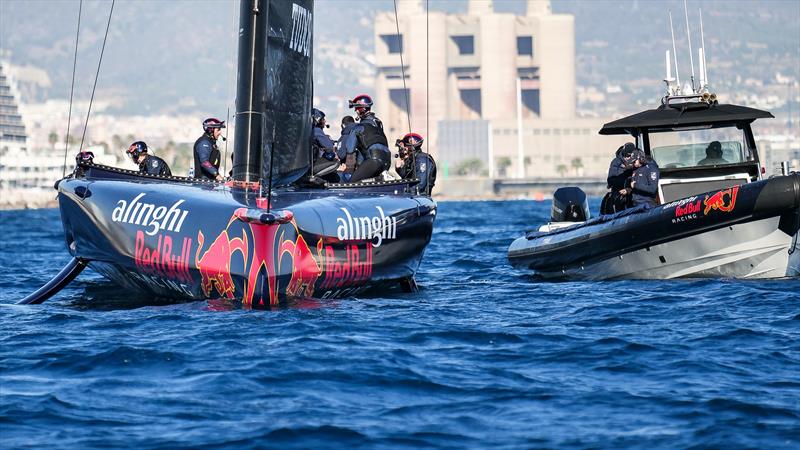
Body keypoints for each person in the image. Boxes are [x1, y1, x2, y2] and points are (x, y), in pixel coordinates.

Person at [347, 94, 391, 182]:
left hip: (373, 161)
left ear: (361, 110)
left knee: (352, 184)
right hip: (387, 161)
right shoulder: (378, 124)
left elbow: (350, 149)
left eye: (356, 108)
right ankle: (380, 177)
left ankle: (380, 178)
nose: (356, 111)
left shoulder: (358, 128)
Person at [602, 142, 636, 213]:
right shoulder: (616, 162)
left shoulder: (637, 162)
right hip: (619, 191)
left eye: (630, 156)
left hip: (634, 191)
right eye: (626, 155)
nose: (628, 158)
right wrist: (625, 184)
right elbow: (611, 180)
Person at [336, 115, 359, 182]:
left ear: (343, 125)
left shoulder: (344, 137)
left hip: (349, 170)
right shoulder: (360, 132)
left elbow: (341, 155)